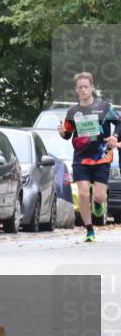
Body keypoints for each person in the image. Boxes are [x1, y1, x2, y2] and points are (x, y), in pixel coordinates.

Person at [58, 72, 119, 243]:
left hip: (102, 157)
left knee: (99, 196)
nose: (83, 90)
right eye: (80, 87)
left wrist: (115, 137)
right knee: (83, 194)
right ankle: (89, 230)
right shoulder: (73, 111)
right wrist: (63, 133)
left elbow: (119, 123)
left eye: (86, 86)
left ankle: (99, 204)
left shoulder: (104, 107)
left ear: (92, 88)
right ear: (76, 90)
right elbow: (68, 134)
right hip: (81, 158)